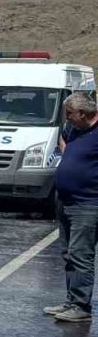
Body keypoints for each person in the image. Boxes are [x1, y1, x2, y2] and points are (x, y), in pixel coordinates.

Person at [47, 92, 98, 323]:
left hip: (87, 204)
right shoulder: (74, 130)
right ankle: (71, 300)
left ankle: (81, 306)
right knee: (68, 253)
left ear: (85, 114)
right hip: (66, 201)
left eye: (70, 114)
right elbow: (64, 141)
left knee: (81, 255)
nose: (66, 119)